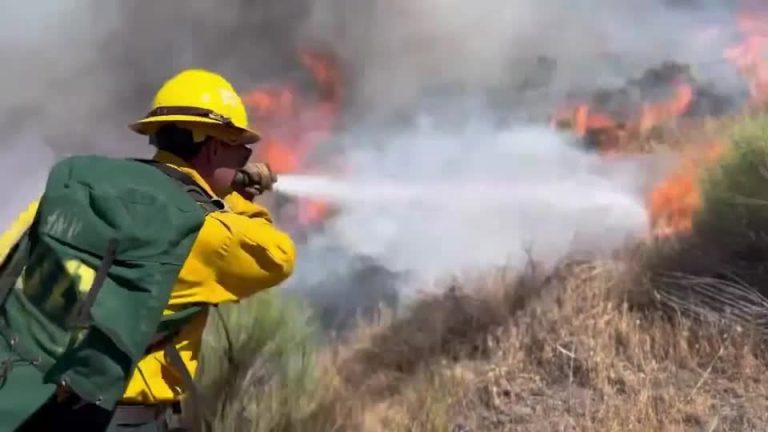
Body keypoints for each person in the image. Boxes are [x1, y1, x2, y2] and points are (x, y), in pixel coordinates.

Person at [0, 69, 296, 431]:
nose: (245, 161)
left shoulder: (79, 186)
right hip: (121, 418)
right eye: (242, 150)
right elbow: (278, 257)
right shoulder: (205, 230)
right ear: (215, 146)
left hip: (32, 403)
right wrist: (237, 197)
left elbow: (7, 254)